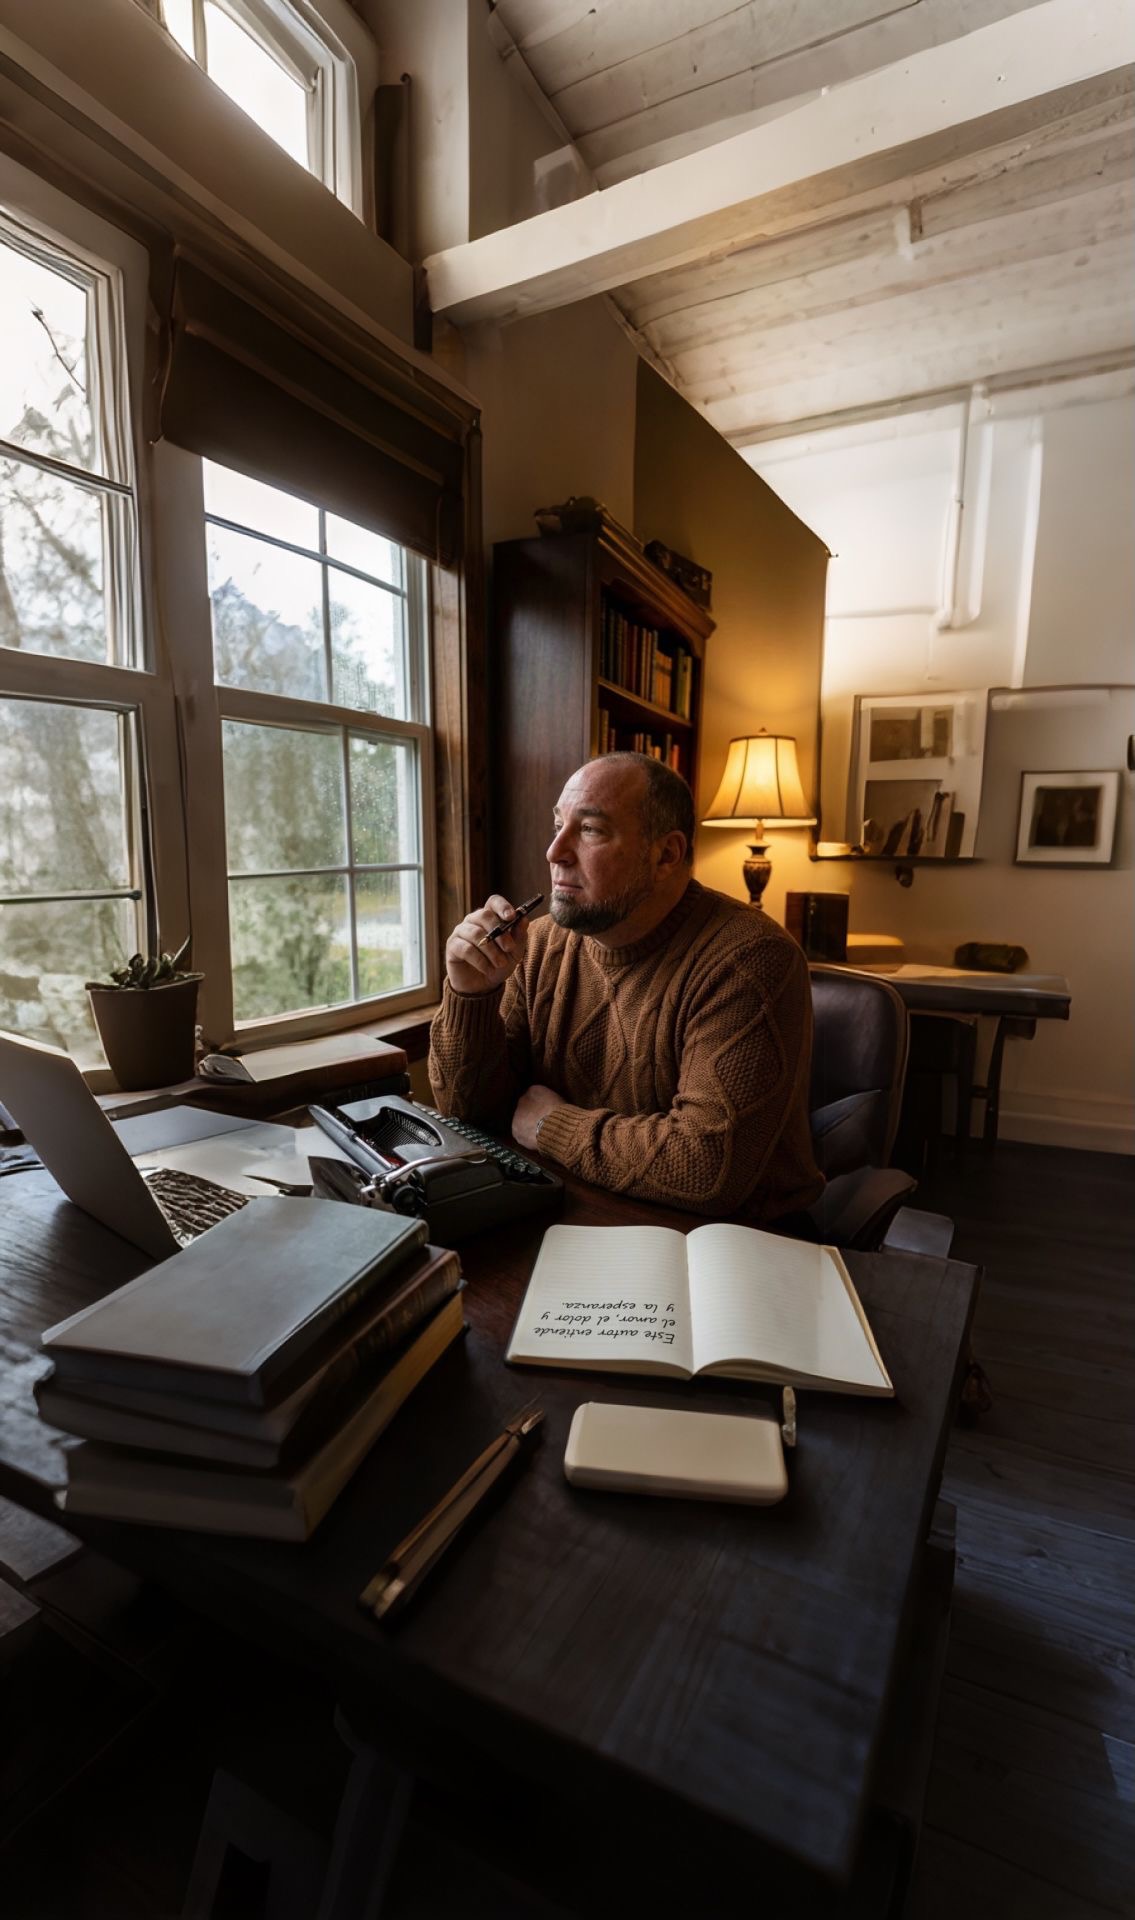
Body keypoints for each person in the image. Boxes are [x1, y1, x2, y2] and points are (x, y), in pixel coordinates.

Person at [428, 753, 823, 1225]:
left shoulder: (750, 956)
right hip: (582, 1209)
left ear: (666, 855)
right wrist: (469, 995)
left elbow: (705, 1169)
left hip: (735, 1243)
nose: (555, 851)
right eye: (558, 823)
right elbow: (466, 1111)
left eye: (590, 830)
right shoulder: (538, 946)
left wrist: (551, 1126)